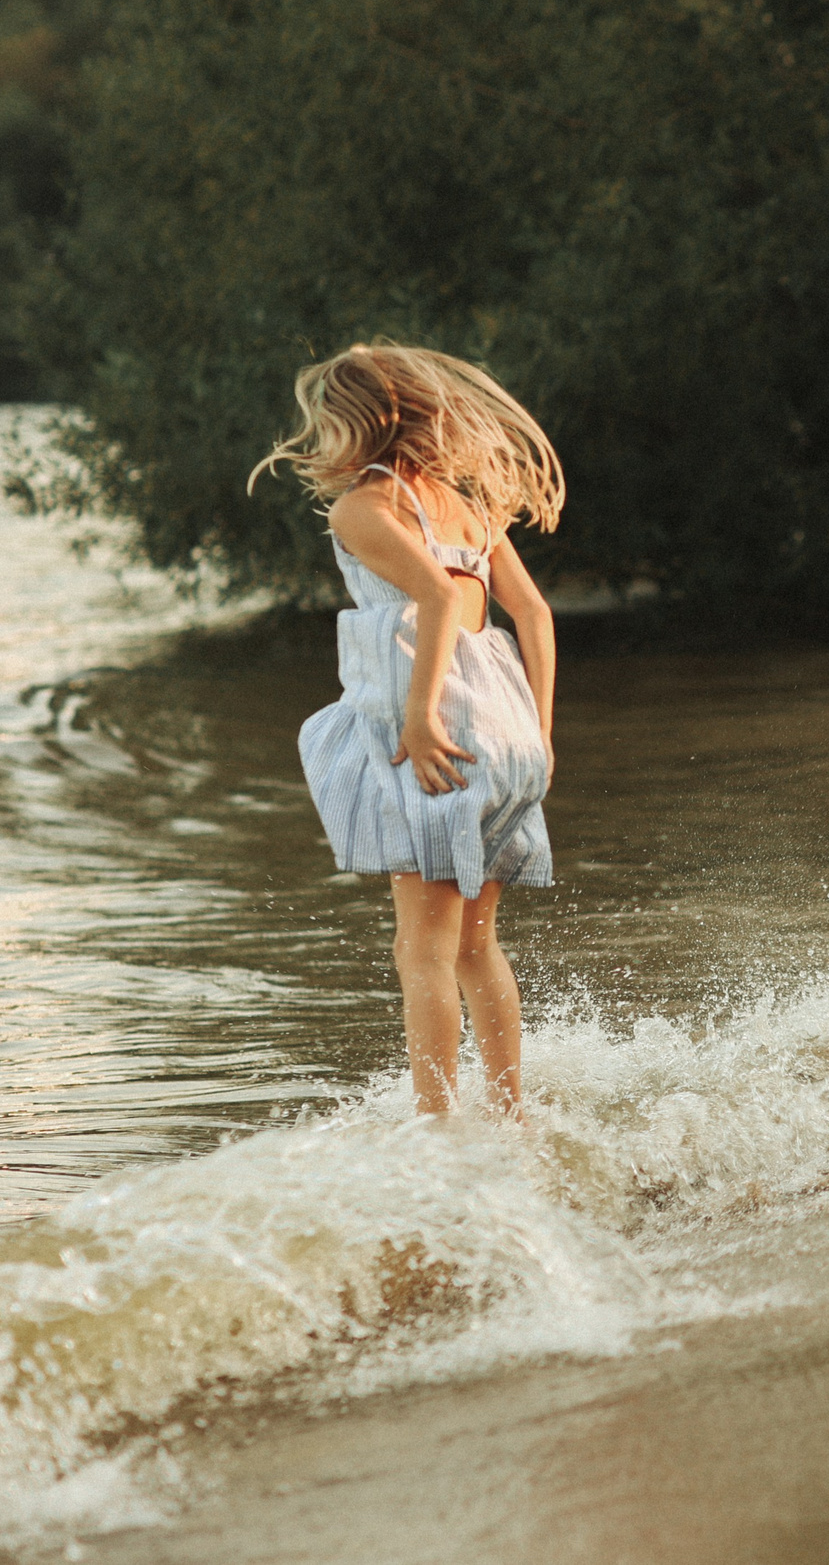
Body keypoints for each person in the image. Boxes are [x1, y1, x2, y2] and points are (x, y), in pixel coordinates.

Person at [252, 344, 563, 1116]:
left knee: (420, 949)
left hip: (441, 731)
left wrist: (421, 717)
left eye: (323, 422)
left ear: (354, 424)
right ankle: (511, 1110)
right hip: (503, 729)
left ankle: (437, 1129)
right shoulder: (464, 501)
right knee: (473, 944)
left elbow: (431, 595)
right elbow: (532, 612)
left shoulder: (366, 507)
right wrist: (540, 734)